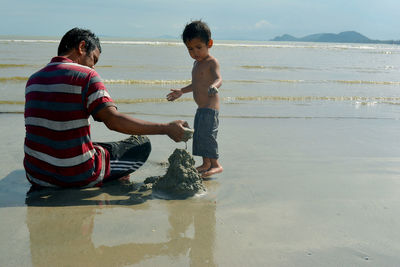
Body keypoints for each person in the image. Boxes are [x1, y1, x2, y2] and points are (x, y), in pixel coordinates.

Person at [24, 27, 187, 188]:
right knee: (141, 144)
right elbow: (113, 121)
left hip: (36, 174)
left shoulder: (32, 80)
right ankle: (109, 175)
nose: (93, 67)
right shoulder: (86, 76)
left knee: (79, 142)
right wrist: (166, 128)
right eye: (93, 60)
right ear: (81, 47)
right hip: (77, 174)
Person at [167, 20, 223, 178]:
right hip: (201, 108)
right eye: (190, 49)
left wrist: (214, 86)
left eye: (199, 47)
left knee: (208, 136)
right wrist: (181, 91)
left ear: (209, 44)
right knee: (199, 136)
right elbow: (196, 84)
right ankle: (206, 164)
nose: (195, 52)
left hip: (210, 108)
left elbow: (219, 78)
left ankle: (216, 165)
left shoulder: (212, 62)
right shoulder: (196, 64)